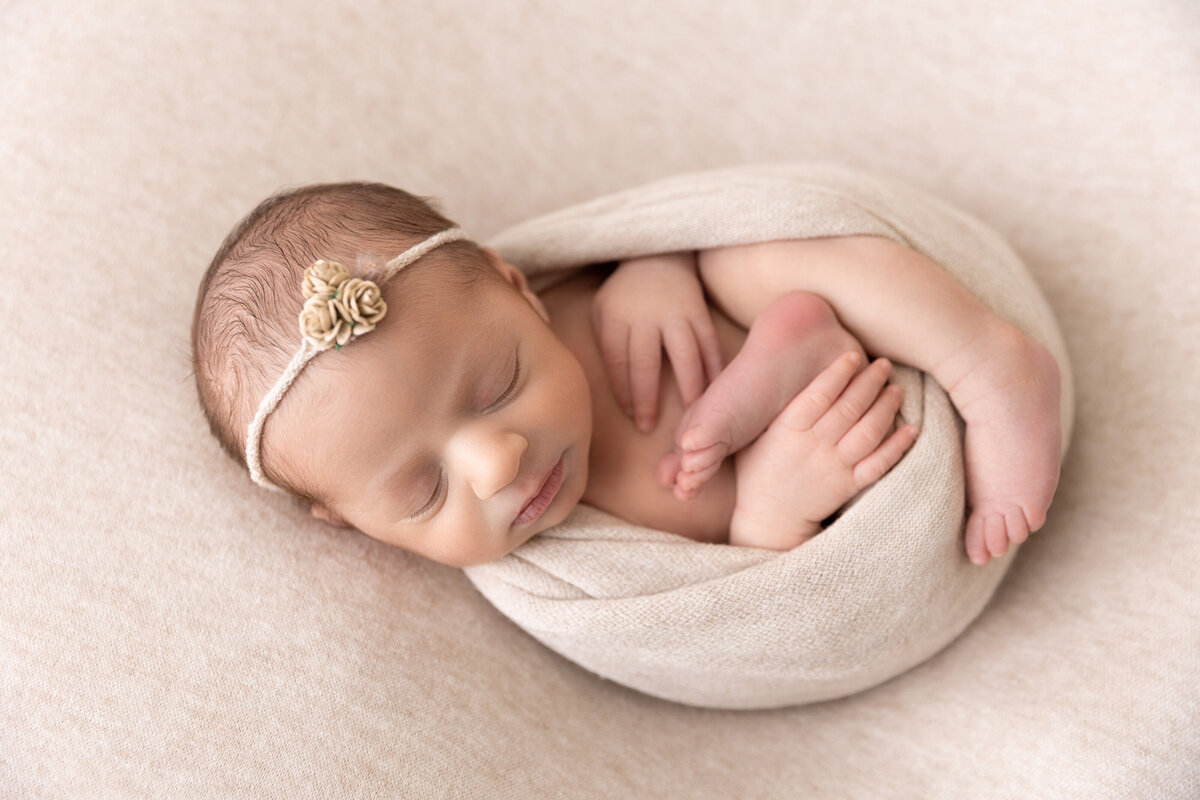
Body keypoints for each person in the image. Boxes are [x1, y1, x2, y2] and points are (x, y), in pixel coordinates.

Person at [191, 181, 1061, 567]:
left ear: (516, 287)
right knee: (708, 505)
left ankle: (987, 360)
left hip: (797, 314)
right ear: (346, 524)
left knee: (743, 256)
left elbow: (660, 224)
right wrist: (767, 515)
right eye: (423, 491)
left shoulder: (570, 292)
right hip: (847, 446)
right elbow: (730, 629)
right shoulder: (579, 571)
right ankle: (795, 363)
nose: (497, 462)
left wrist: (656, 267)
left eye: (498, 383)